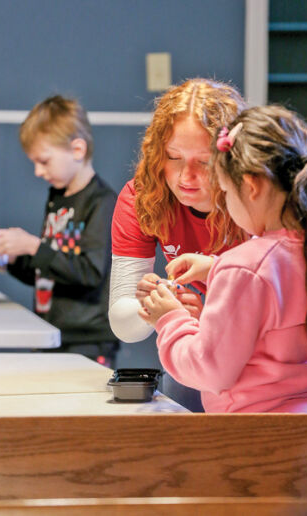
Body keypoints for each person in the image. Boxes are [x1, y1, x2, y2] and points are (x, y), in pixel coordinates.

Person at [138, 104, 307, 413]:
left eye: (226, 192)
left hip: (253, 443)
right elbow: (285, 289)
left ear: (250, 187)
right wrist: (215, 269)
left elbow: (209, 371)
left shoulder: (245, 268)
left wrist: (169, 319)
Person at [109, 78, 247, 410]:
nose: (186, 178)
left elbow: (287, 299)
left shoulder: (257, 197)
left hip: (266, 366)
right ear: (158, 153)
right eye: (173, 156)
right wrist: (157, 308)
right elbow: (124, 324)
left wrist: (214, 302)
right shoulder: (144, 196)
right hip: (202, 358)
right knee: (180, 395)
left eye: (204, 161)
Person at [0, 95, 119, 368]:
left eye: (44, 161)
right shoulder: (57, 199)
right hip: (52, 333)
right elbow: (49, 271)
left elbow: (90, 273)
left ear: (78, 149)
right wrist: (15, 259)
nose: (37, 171)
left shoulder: (102, 201)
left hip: (86, 342)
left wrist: (34, 246)